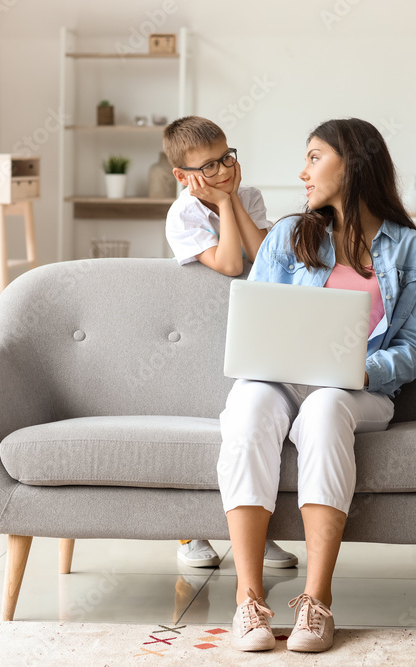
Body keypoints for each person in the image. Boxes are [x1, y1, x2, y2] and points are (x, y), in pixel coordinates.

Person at [217, 118, 416, 652]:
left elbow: (415, 348)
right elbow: (259, 318)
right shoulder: (289, 237)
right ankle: (249, 599)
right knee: (247, 406)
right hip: (280, 380)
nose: (303, 170)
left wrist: (364, 370)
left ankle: (316, 602)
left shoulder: (412, 252)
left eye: (315, 157)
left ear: (354, 163)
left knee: (323, 409)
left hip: (358, 392)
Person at [162, 116, 298, 570]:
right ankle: (189, 534)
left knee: (255, 428)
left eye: (226, 159)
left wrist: (232, 200)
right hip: (199, 327)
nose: (221, 171)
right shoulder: (182, 214)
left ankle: (255, 536)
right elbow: (228, 264)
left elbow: (263, 257)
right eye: (208, 167)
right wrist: (222, 202)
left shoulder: (249, 196)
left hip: (246, 323)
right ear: (183, 176)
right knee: (210, 428)